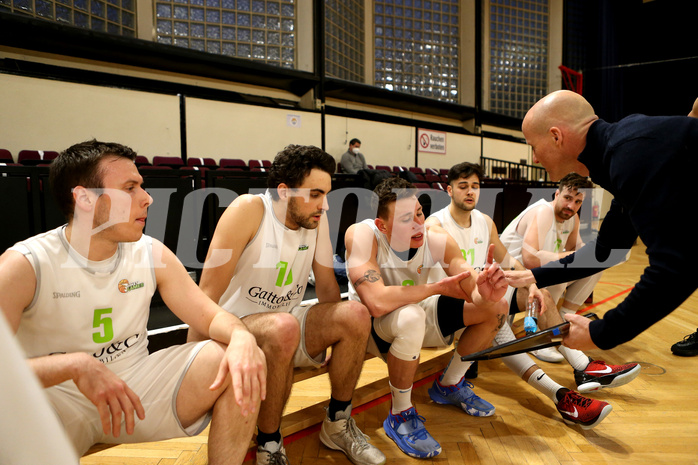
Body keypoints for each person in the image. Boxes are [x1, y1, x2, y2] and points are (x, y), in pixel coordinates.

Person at [0, 140, 266, 464]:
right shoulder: (24, 265)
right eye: (130, 188)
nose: (148, 198)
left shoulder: (151, 252)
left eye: (143, 186)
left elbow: (211, 317)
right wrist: (75, 365)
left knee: (237, 358)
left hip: (136, 384)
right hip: (56, 399)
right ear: (85, 198)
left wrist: (240, 336)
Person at [190, 145, 385, 465]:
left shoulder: (315, 218)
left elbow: (325, 286)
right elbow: (206, 293)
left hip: (286, 325)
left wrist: (335, 336)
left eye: (327, 195)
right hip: (235, 328)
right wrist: (193, 363)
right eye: (315, 194)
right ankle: (269, 442)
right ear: (284, 191)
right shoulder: (249, 209)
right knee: (284, 325)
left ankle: (337, 423)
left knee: (355, 313)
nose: (324, 205)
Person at [504, 89, 698, 352]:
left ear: (556, 136)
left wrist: (601, 333)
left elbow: (676, 268)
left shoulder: (631, 154)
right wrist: (536, 275)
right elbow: (607, 251)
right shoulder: (623, 150)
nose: (535, 158)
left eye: (533, 147)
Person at [426, 162, 616, 429]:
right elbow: (459, 272)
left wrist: (533, 283)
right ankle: (561, 389)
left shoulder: (484, 221)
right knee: (497, 312)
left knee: (540, 296)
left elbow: (510, 261)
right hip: (447, 302)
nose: (470, 192)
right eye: (463, 186)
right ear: (449, 190)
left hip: (484, 299)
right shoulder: (435, 224)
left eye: (475, 186)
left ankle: (575, 372)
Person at [344, 176, 508, 458]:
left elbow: (471, 288)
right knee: (410, 316)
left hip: (417, 315)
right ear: (382, 225)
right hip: (370, 327)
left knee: (497, 308)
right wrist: (434, 288)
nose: (419, 224)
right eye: (407, 219)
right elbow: (377, 302)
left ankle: (449, 385)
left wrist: (487, 292)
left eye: (419, 213)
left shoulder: (436, 238)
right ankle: (399, 413)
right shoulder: (362, 234)